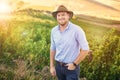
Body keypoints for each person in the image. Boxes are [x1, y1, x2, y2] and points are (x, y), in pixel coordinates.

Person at [50, 5, 89, 80]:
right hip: (58, 67)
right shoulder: (53, 31)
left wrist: (74, 64)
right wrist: (52, 66)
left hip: (71, 69)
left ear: (68, 16)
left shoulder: (77, 30)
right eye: (59, 15)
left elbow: (85, 49)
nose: (61, 17)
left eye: (63, 15)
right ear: (56, 17)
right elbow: (52, 48)